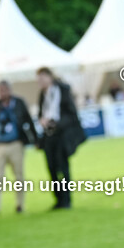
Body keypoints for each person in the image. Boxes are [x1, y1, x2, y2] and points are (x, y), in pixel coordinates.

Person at [36, 67, 86, 210]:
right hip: (49, 135)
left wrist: (55, 123)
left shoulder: (62, 90)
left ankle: (67, 199)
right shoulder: (42, 94)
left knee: (62, 167)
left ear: (50, 77)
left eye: (42, 78)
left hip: (62, 134)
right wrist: (43, 121)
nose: (40, 81)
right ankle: (58, 199)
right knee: (51, 167)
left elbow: (71, 113)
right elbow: (41, 112)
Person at [0, 80, 37, 215]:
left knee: (19, 175)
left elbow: (28, 120)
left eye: (4, 90)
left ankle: (20, 204)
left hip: (16, 143)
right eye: (0, 90)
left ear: (10, 90)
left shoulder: (18, 103)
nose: (2, 93)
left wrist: (35, 139)